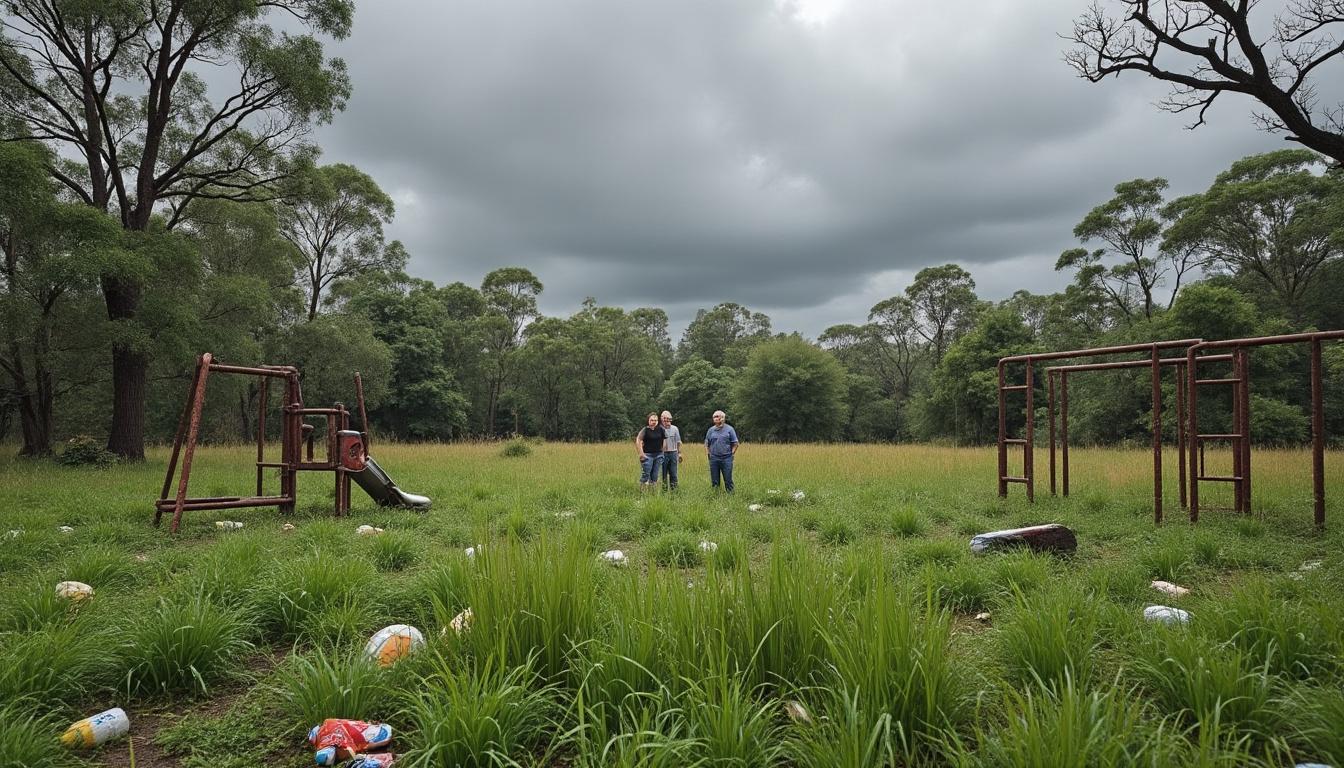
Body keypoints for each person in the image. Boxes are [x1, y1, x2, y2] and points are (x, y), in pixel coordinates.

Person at [704, 409, 739, 492]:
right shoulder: (710, 430)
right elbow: (706, 444)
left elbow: (735, 443)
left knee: (728, 479)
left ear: (722, 418)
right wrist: (709, 454)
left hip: (727, 458)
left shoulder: (730, 429)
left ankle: (730, 495)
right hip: (714, 458)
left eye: (717, 416)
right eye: (714, 417)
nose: (715, 418)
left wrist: (732, 454)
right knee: (715, 480)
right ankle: (715, 495)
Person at [635, 412, 666, 491]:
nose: (654, 422)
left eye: (655, 420)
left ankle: (653, 493)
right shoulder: (645, 430)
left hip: (658, 455)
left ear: (658, 421)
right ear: (648, 420)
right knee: (646, 475)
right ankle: (642, 492)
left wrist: (663, 451)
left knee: (655, 476)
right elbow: (638, 440)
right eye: (652, 420)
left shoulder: (661, 429)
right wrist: (641, 454)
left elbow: (664, 440)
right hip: (648, 455)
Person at [658, 410, 682, 490]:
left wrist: (679, 453)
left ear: (670, 419)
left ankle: (674, 491)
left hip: (673, 453)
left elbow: (678, 442)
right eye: (664, 419)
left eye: (668, 419)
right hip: (662, 454)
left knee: (673, 473)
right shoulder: (659, 429)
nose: (666, 421)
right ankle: (664, 491)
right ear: (661, 419)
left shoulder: (675, 429)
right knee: (663, 474)